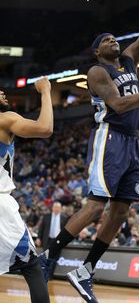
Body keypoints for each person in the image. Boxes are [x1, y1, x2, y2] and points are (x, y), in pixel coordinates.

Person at [40, 0, 139, 303]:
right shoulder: (97, 71)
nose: (112, 40)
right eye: (104, 40)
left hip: (132, 143)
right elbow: (119, 106)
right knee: (95, 207)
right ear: (96, 51)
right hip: (110, 138)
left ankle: (84, 271)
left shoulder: (130, 60)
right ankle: (49, 257)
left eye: (113, 38)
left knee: (121, 212)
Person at [0, 77, 53, 303]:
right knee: (32, 266)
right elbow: (45, 128)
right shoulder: (5, 119)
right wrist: (45, 92)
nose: (3, 92)